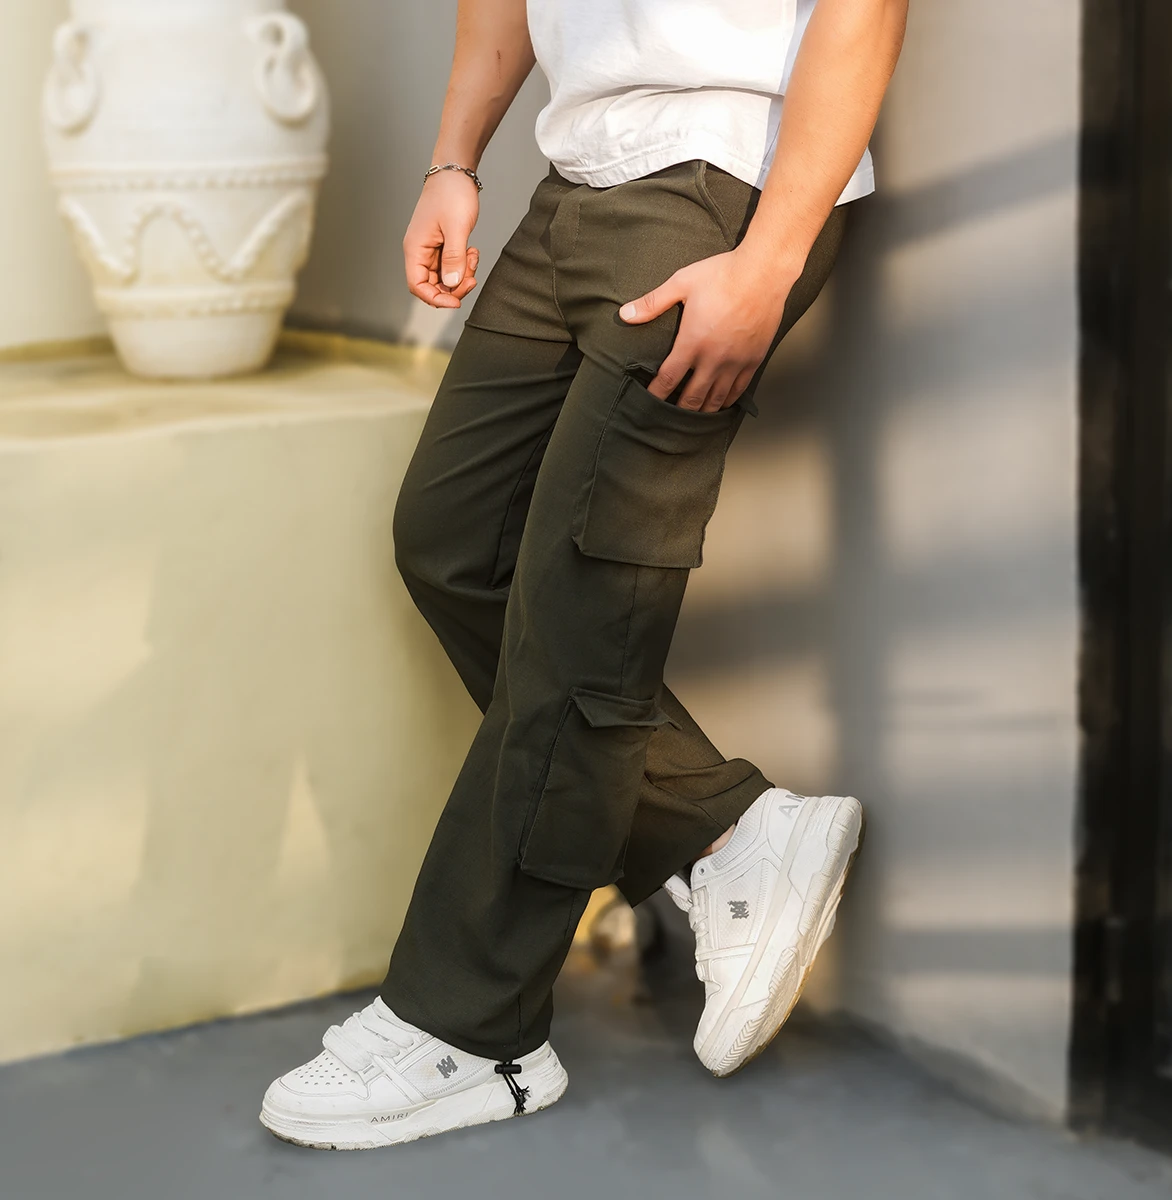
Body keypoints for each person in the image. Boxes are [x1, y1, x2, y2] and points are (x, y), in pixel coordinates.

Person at [260, 0, 907, 1150]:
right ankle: (723, 824)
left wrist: (771, 258)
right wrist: (454, 160)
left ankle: (473, 1027)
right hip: (575, 181)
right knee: (455, 539)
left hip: (720, 182)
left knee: (582, 612)